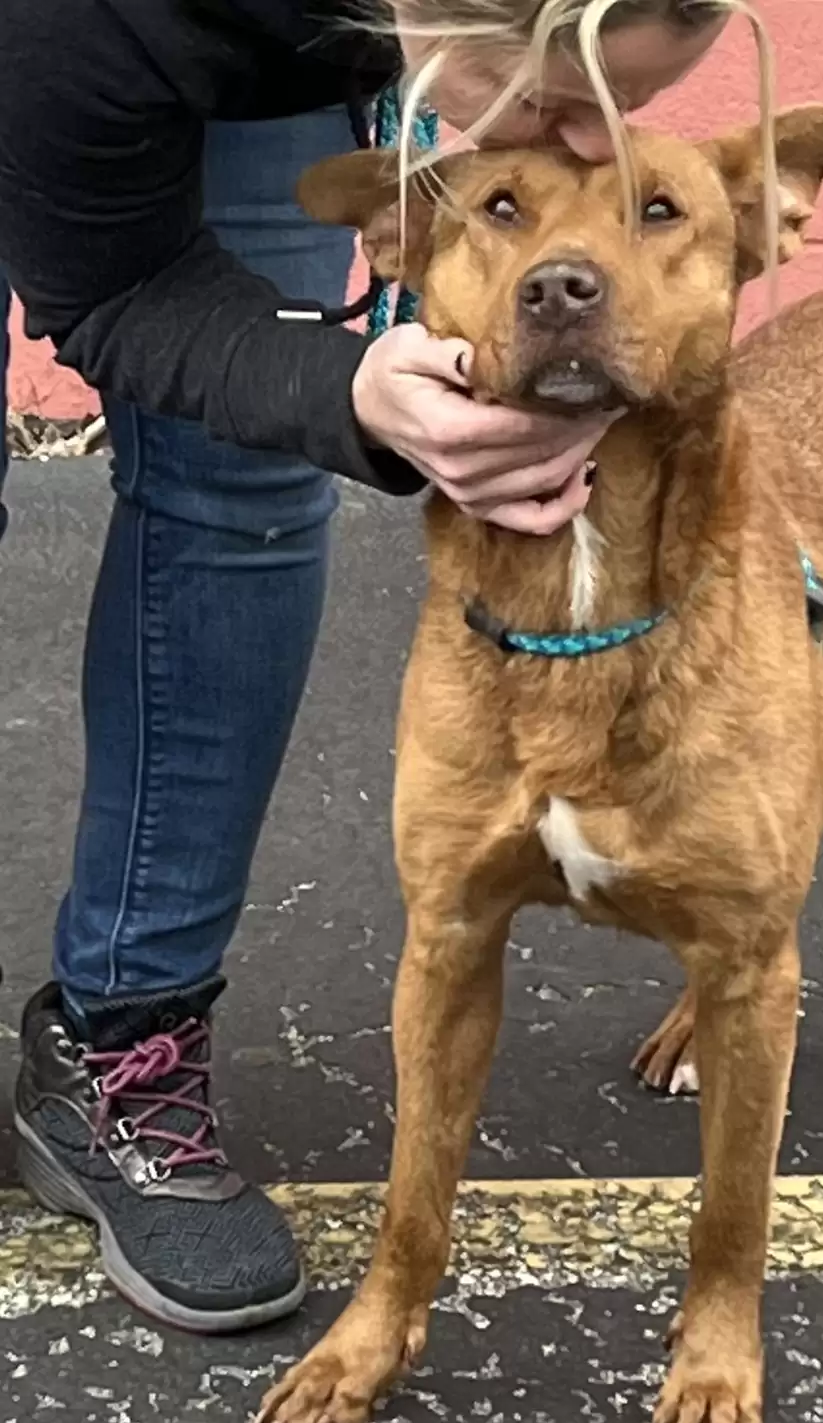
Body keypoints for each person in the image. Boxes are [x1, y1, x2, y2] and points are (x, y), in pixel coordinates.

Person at [0, 0, 733, 1333]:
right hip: (79, 32)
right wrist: (342, 382)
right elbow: (107, 286)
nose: (582, 150)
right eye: (562, 101)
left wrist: (342, 393)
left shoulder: (386, 35)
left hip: (250, 49)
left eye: (616, 119)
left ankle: (124, 1044)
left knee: (247, 489)